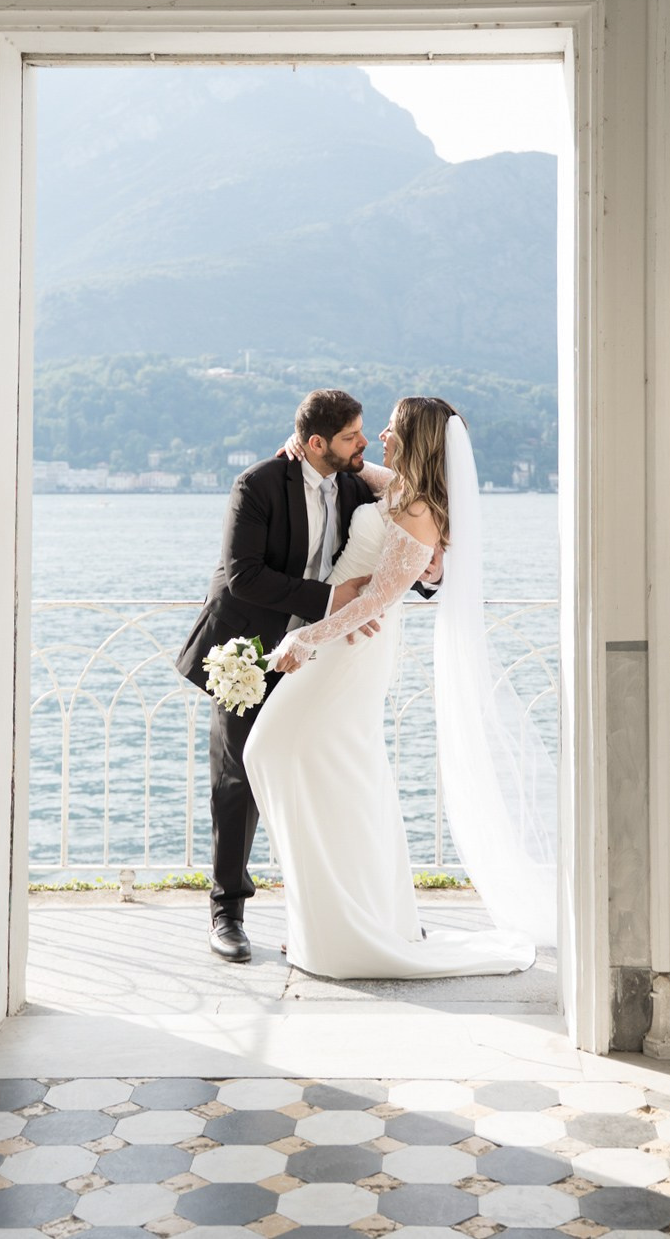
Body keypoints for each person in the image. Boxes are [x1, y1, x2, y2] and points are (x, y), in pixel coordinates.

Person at [243, 396, 545, 978]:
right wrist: (294, 447)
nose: (379, 434)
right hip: (339, 637)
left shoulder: (419, 511)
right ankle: (329, 918)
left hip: (350, 648)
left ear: (413, 435)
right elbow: (355, 469)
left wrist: (305, 641)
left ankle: (346, 924)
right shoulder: (399, 489)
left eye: (390, 426)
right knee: (330, 770)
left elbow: (381, 597)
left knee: (286, 754)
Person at [176, 388, 408, 962]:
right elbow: (242, 577)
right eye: (353, 436)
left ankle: (331, 911)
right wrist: (332, 599)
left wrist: (404, 582)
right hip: (248, 650)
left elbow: (409, 521)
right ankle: (226, 913)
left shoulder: (356, 483)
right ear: (315, 443)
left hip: (319, 656)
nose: (362, 443)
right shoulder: (256, 485)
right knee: (238, 781)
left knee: (323, 775)